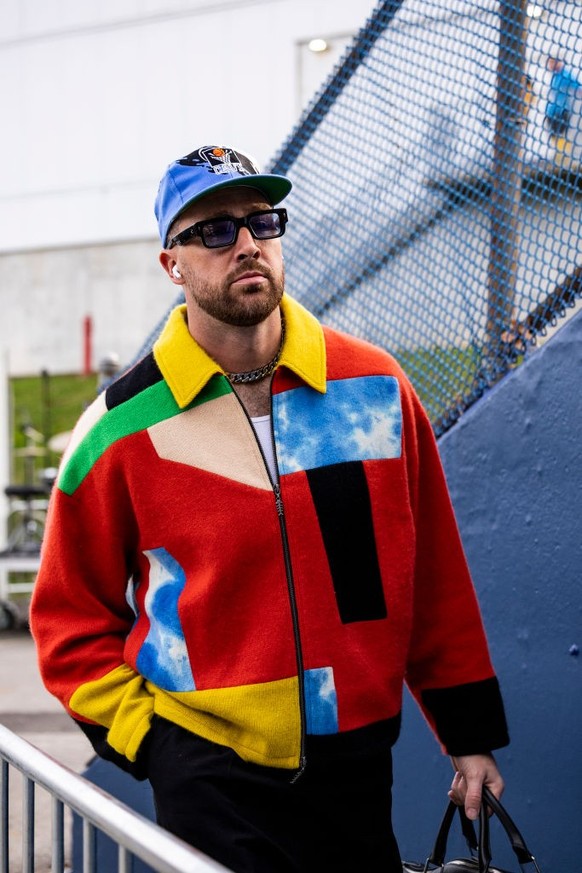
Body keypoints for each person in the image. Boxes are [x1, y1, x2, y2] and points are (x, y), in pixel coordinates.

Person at [30, 144, 509, 873]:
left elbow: (433, 574)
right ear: (173, 265)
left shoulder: (375, 386)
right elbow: (69, 622)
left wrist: (468, 733)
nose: (247, 243)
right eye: (215, 231)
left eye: (263, 220)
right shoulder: (116, 431)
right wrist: (154, 742)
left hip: (357, 765)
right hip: (209, 774)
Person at [545, 54, 582, 143]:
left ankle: (561, 152)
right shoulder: (555, 75)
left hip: (561, 111)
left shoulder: (565, 74)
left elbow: (578, 86)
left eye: (552, 62)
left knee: (560, 134)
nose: (550, 66)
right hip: (552, 111)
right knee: (554, 135)